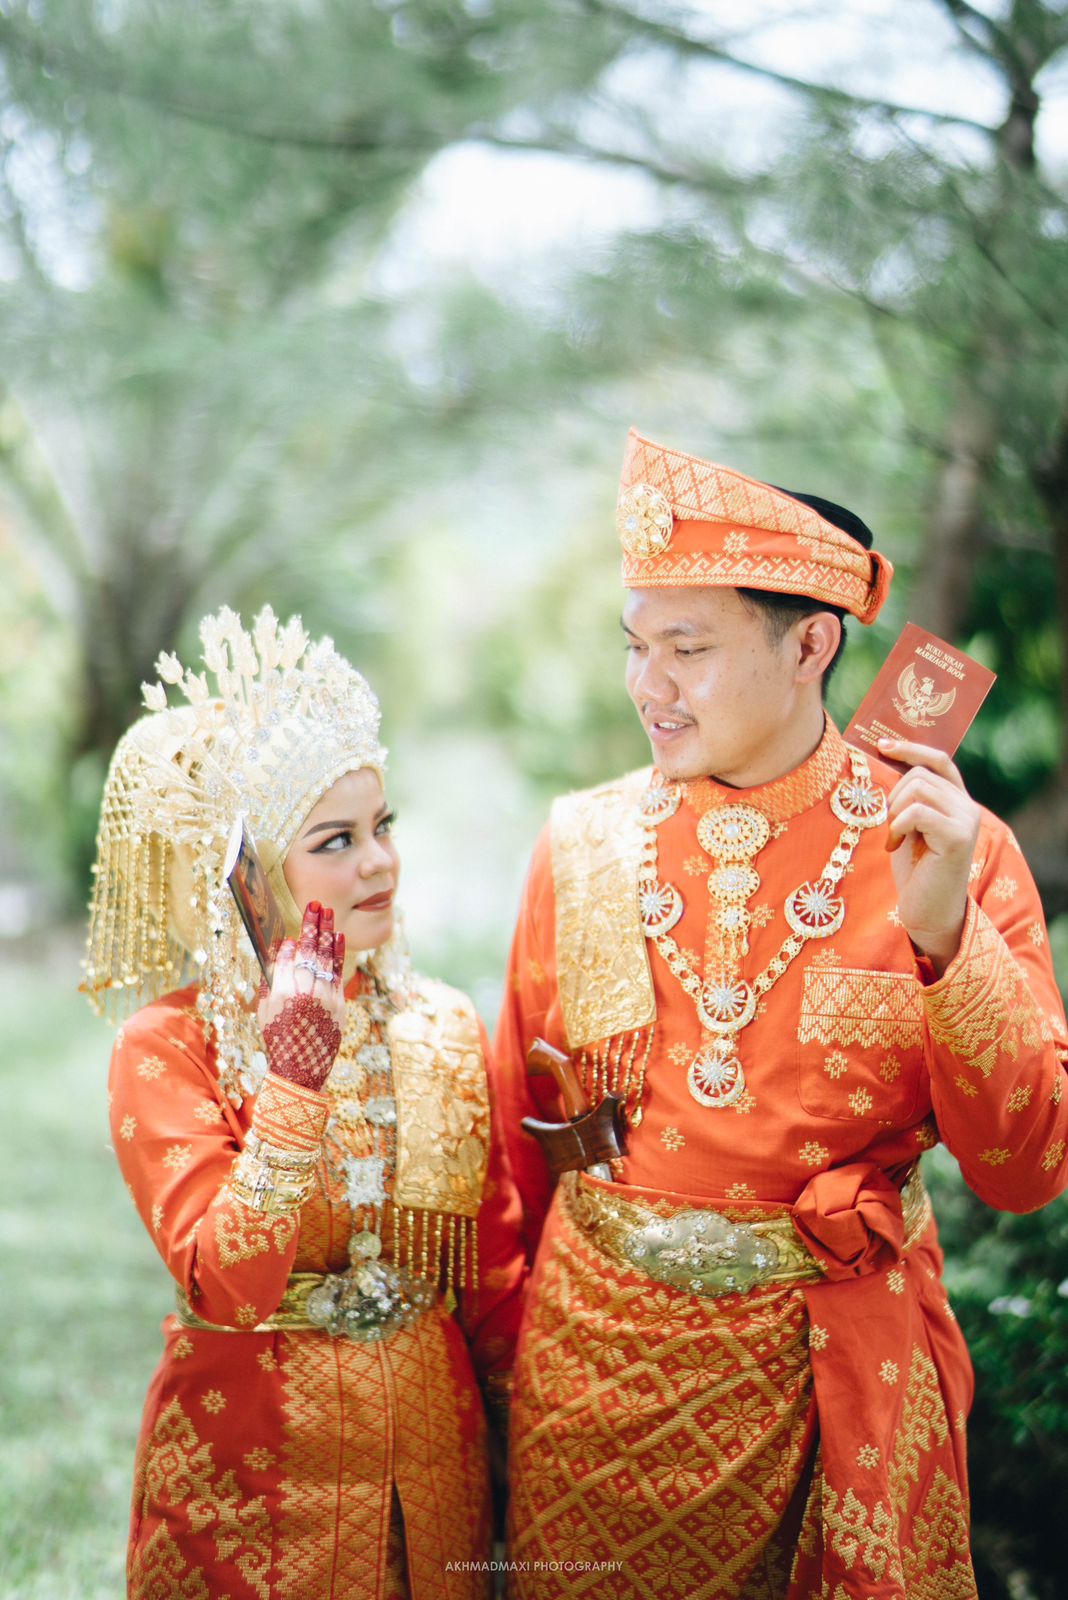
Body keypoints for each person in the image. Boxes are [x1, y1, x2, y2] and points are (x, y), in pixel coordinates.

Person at [494, 428, 1068, 1599]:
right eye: (637, 645)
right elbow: (516, 1145)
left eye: (688, 648)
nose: (648, 685)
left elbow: (1026, 1166)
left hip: (835, 1394)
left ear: (811, 644)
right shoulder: (582, 845)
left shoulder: (953, 853)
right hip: (589, 1400)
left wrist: (947, 938)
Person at [83, 605, 525, 1600]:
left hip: (437, 1478)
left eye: (383, 826)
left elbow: (493, 1282)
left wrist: (532, 1466)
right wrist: (292, 1082)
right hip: (253, 1487)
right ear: (247, 876)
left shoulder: (443, 1025)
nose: (380, 861)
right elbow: (227, 1286)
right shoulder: (169, 1047)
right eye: (336, 840)